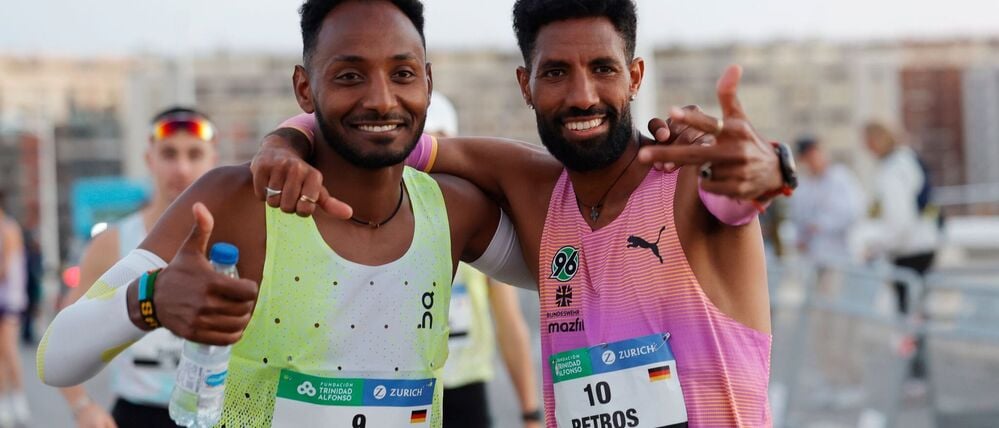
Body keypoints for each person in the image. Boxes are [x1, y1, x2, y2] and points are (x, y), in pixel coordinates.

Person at [254, 1, 796, 426]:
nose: (582, 95)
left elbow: (740, 187)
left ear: (634, 77)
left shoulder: (687, 184)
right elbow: (386, 131)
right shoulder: (535, 189)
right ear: (526, 86)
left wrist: (771, 167)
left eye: (602, 69)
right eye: (556, 72)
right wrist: (281, 143)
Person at [39, 2, 532, 428]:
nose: (381, 98)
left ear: (427, 81)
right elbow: (56, 358)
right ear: (304, 87)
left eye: (402, 74)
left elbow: (577, 261)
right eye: (349, 76)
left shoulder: (453, 210)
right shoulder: (240, 199)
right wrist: (149, 300)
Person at [56, 107, 220, 428]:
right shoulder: (114, 243)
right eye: (169, 154)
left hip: (216, 412)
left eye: (195, 153)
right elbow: (62, 336)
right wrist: (82, 407)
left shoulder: (237, 239)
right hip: (138, 413)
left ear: (213, 159)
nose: (182, 167)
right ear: (149, 160)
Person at [425, 93, 541, 428]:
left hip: (466, 387)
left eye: (439, 146)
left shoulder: (475, 221)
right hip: (404, 390)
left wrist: (530, 411)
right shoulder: (388, 223)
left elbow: (509, 323)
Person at [862, 122, 939, 314]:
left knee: (910, 317)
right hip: (922, 243)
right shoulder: (907, 160)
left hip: (908, 249)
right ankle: (918, 344)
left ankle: (915, 344)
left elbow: (899, 220)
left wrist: (877, 246)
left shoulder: (893, 170)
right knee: (919, 313)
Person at [789, 136, 865, 265]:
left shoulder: (841, 178)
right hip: (812, 258)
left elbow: (852, 212)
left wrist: (820, 225)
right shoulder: (803, 187)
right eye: (806, 157)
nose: (811, 161)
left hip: (840, 255)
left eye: (813, 155)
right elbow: (797, 220)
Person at [0, 192, 28, 427]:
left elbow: (5, 269)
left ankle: (18, 398)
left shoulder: (8, 229)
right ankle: (3, 401)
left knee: (9, 350)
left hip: (10, 300)